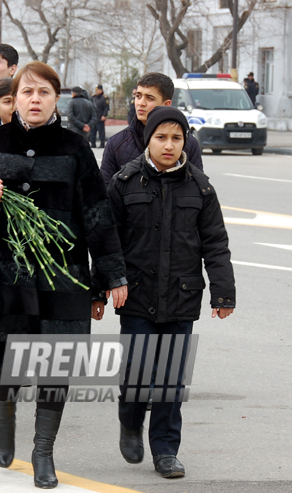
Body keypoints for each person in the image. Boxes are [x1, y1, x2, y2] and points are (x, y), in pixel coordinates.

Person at [0, 61, 127, 489]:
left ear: (57, 99)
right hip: (6, 271)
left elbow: (96, 214)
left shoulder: (75, 148)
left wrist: (111, 275)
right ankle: (5, 416)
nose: (34, 100)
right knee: (6, 357)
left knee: (56, 364)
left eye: (43, 93)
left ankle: (43, 451)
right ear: (13, 98)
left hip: (63, 274)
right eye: (26, 92)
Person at [98, 106, 235, 479]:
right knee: (137, 374)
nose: (169, 145)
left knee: (172, 381)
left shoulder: (201, 187)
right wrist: (101, 289)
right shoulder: (124, 183)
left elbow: (216, 244)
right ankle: (130, 421)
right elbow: (107, 242)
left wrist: (223, 293)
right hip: (136, 297)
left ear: (185, 141)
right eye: (161, 137)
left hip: (181, 296)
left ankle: (165, 451)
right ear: (148, 140)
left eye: (176, 138)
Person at [100, 72, 204, 185]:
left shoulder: (188, 144)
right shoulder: (117, 143)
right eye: (138, 96)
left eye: (149, 98)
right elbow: (104, 192)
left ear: (166, 104)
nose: (141, 103)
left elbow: (199, 189)